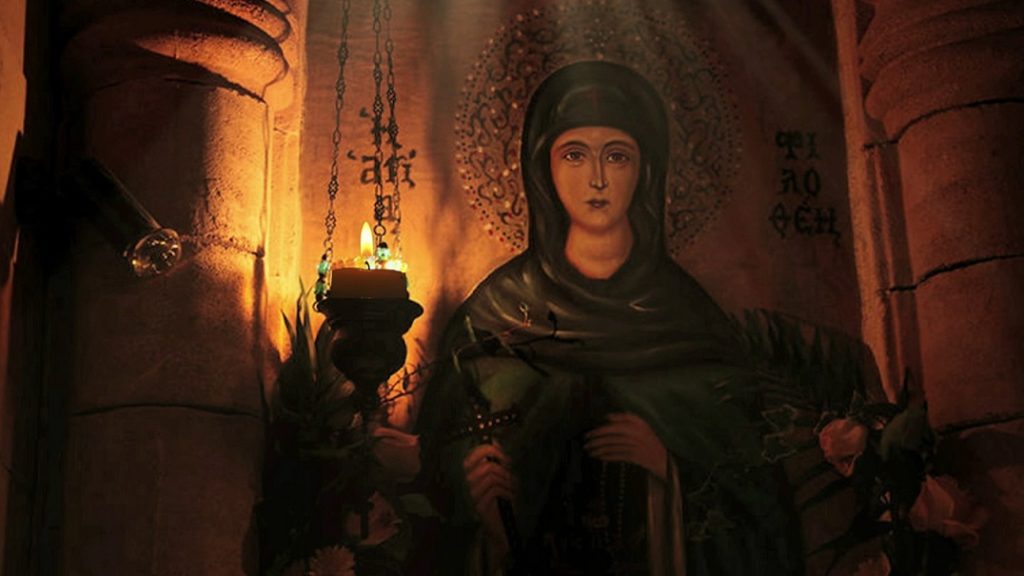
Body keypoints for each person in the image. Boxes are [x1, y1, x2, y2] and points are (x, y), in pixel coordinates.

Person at [415, 61, 802, 575]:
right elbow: (438, 478)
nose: (596, 179)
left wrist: (671, 472)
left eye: (617, 156)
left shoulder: (690, 319)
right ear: (542, 168)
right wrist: (481, 507)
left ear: (646, 170)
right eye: (574, 155)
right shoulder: (495, 314)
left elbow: (756, 494)